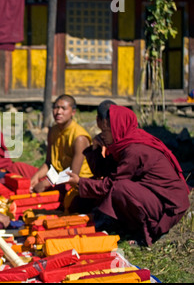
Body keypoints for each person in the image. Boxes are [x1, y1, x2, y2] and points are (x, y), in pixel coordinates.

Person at [67, 100, 190, 246]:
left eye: (105, 131)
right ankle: (123, 223)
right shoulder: (123, 143)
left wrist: (80, 183)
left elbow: (111, 184)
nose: (103, 135)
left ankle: (147, 232)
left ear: (117, 128)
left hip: (166, 205)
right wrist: (96, 148)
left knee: (119, 188)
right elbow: (105, 172)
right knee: (98, 190)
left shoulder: (134, 149)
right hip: (148, 196)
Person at [30, 95, 93, 212]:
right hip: (56, 175)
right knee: (20, 169)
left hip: (75, 182)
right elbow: (49, 162)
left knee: (70, 200)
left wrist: (45, 183)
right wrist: (36, 176)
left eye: (63, 108)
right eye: (56, 107)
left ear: (73, 112)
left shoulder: (79, 137)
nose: (58, 112)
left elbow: (73, 175)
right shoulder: (53, 131)